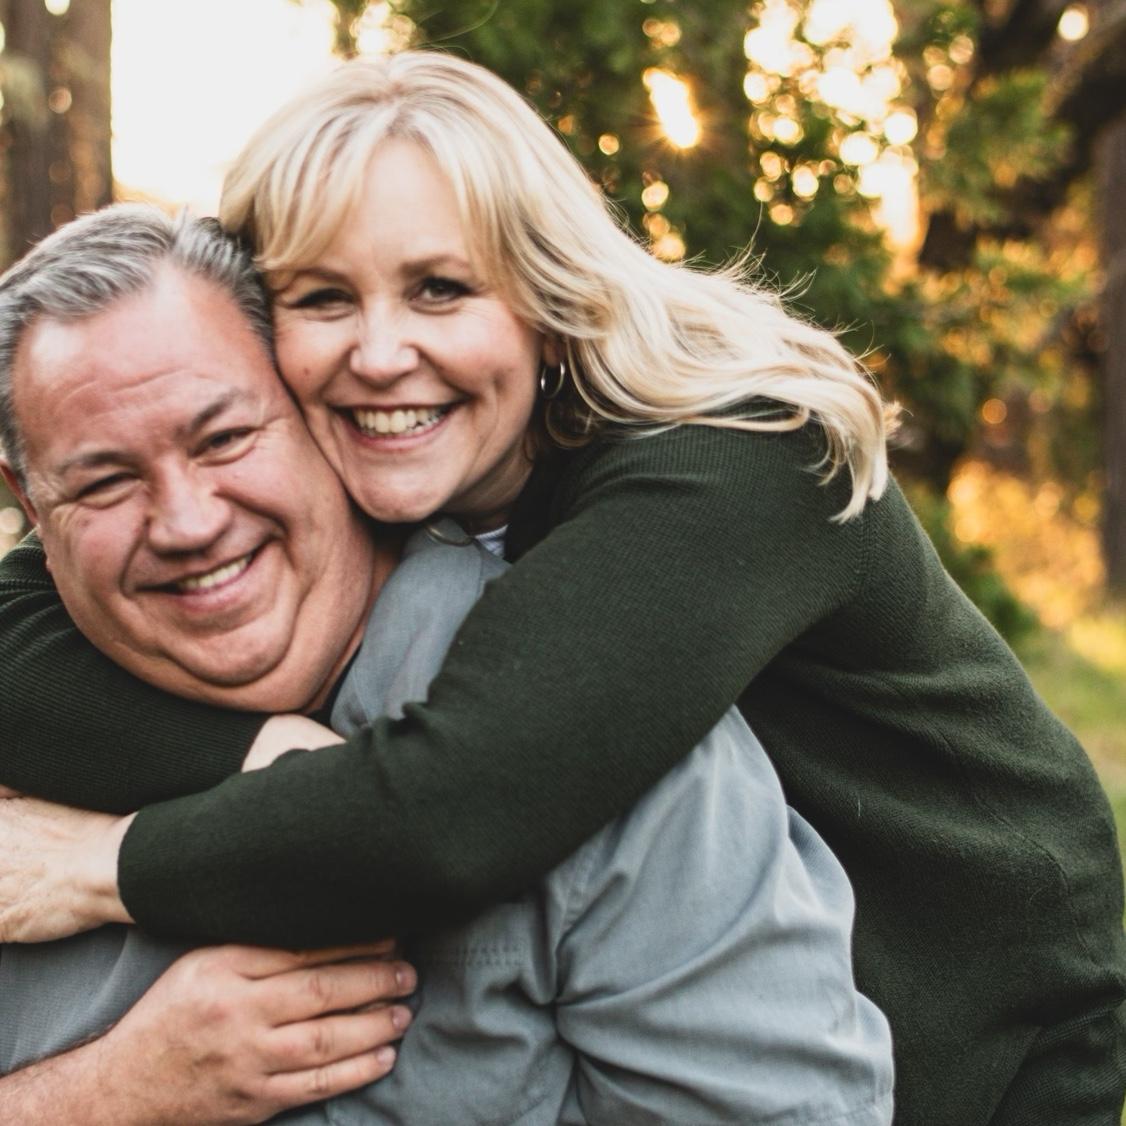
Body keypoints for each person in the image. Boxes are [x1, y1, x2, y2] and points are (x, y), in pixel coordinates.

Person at [0, 50, 1122, 1125]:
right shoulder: (398, 469)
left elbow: (452, 810)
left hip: (972, 985)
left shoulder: (729, 462)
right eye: (324, 297)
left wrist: (100, 865)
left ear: (544, 296)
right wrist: (253, 756)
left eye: (440, 289)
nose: (380, 352)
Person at [0, 204, 894, 1125]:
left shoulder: (587, 729)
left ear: (323, 411)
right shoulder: (24, 745)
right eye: (105, 482)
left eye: (225, 438)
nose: (187, 524)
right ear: (30, 502)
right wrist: (102, 1094)